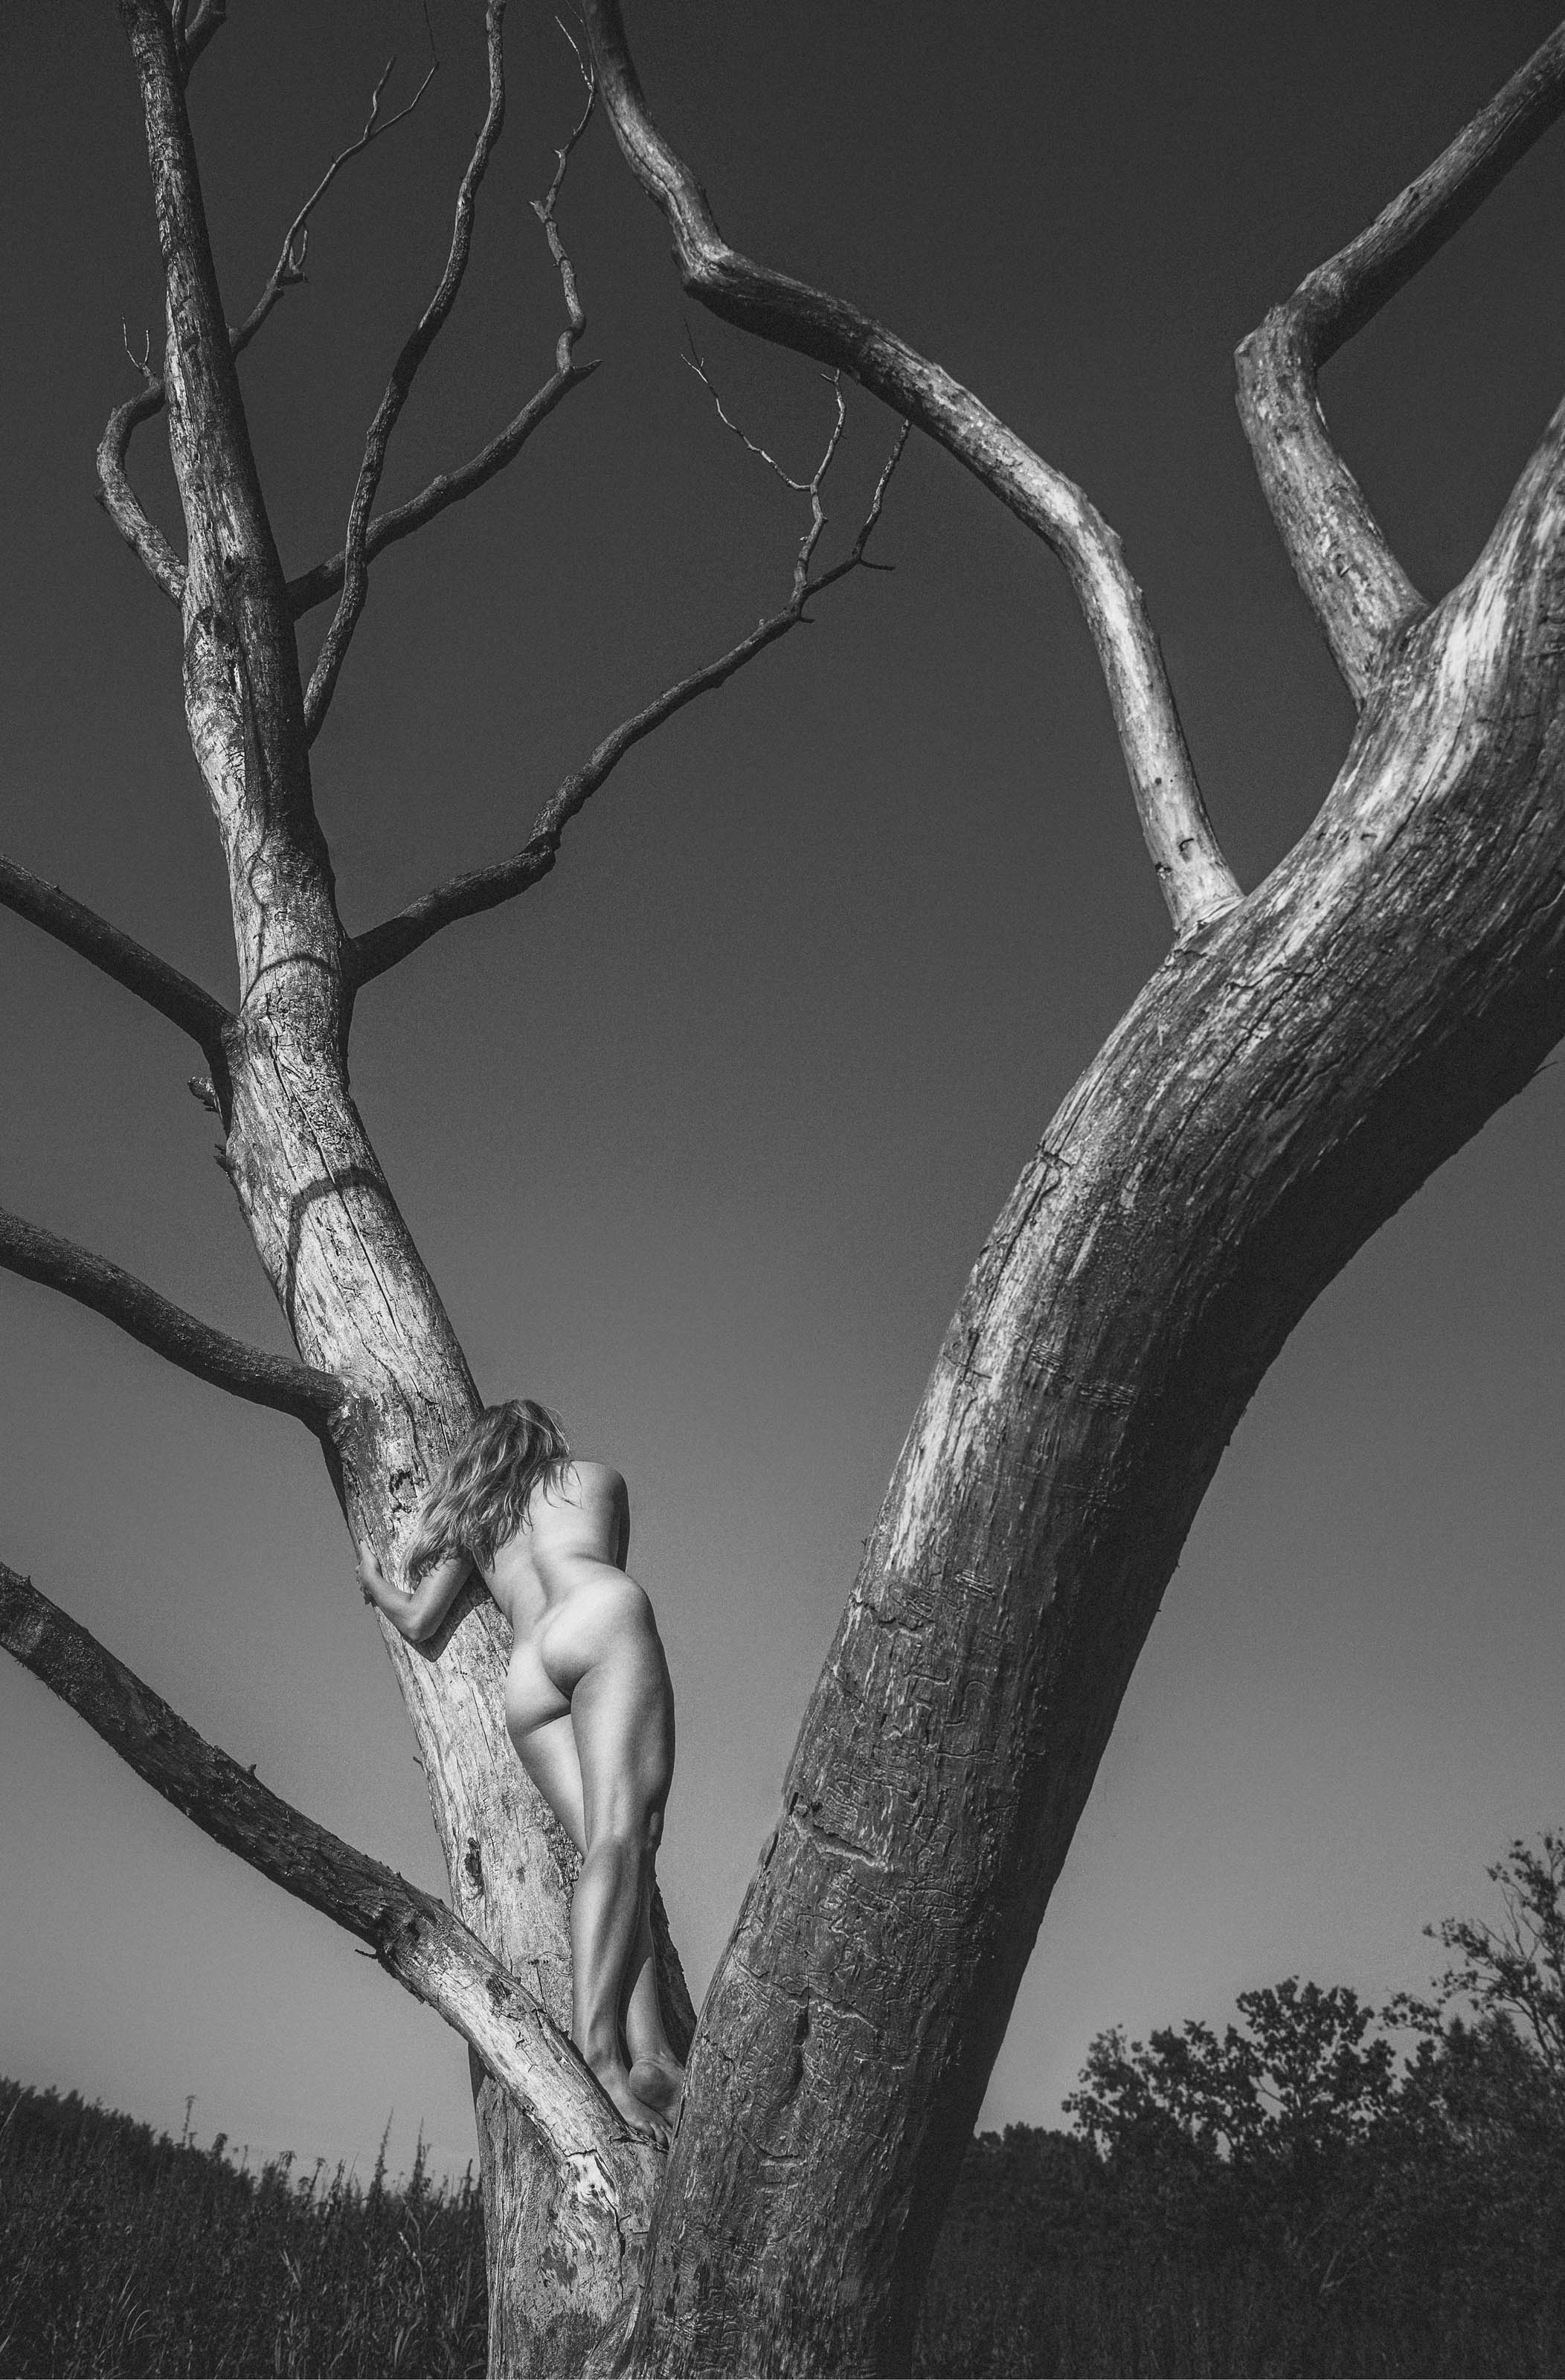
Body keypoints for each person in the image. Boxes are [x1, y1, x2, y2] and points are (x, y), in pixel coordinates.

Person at [353, 1399, 684, 2143]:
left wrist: (376, 1580)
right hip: (598, 1617)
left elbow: (418, 1621)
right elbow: (609, 1563)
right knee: (628, 1840)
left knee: (610, 1852)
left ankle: (652, 2054)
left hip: (529, 1676)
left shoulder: (478, 1524)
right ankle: (603, 2055)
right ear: (549, 1440)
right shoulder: (597, 1478)